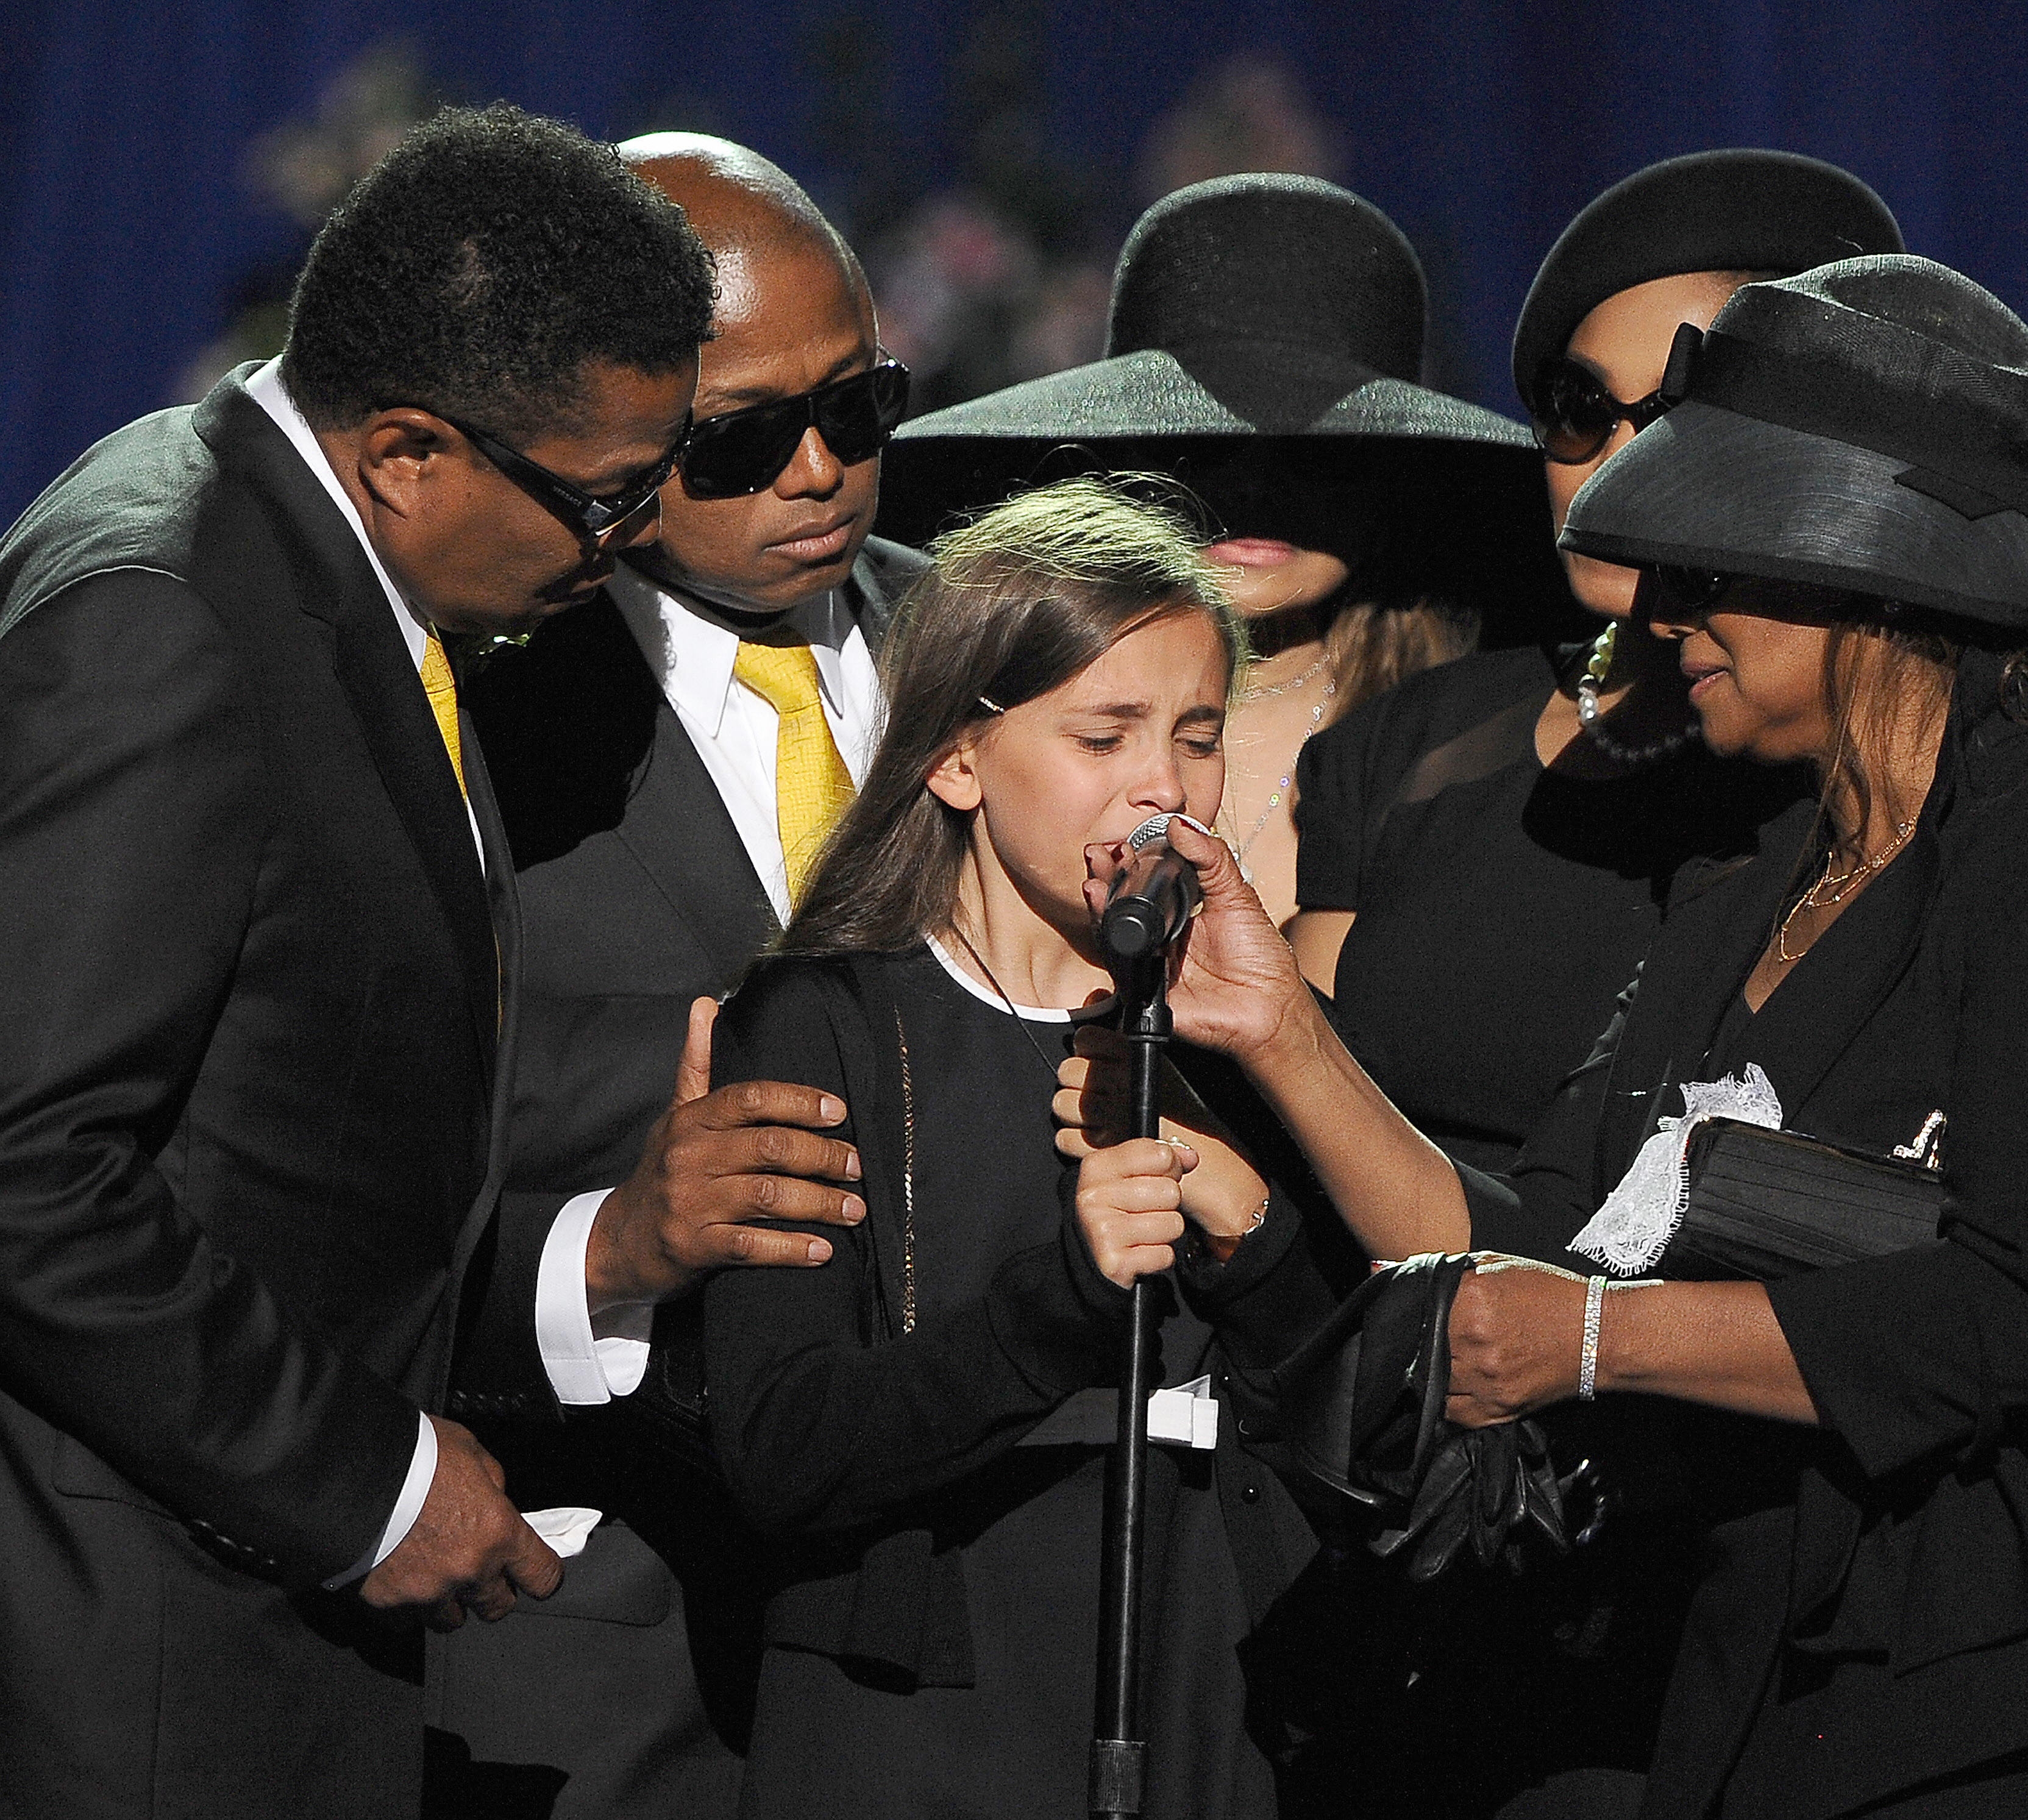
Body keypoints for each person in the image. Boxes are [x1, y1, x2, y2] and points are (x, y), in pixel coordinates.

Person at [1065, 255, 2028, 1816]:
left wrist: (1599, 1340)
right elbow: (1545, 1238)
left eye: (1710, 568)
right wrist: (1279, 1032)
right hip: (1799, 1690)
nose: (1661, 617)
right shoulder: (1744, 884)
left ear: (1869, 580)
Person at [0, 105, 868, 1820]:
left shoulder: (295, 545)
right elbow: (27, 1165)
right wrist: (370, 1482)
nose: (617, 552)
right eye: (603, 503)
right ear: (406, 449)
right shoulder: (167, 620)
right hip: (143, 1665)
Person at [699, 478, 1345, 1820]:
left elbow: (1360, 1395)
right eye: (1103, 736)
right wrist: (1064, 1294)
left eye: (1198, 736)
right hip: (934, 1701)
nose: (1164, 785)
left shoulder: (1246, 1020)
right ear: (957, 759)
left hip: (1214, 1669)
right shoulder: (826, 1019)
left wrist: (1249, 1223)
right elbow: (782, 1443)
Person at [435, 133, 927, 1818]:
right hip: (597, 1619)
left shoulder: (992, 659)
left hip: (961, 1641)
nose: (820, 471)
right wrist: (630, 1212)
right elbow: (358, 1116)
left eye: (858, 406)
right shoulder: (467, 710)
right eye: (740, 438)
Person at [1290, 149, 1898, 1173]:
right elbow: (1293, 1094)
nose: (1611, 469)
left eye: (1672, 417)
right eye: (1579, 408)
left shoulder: (1843, 781)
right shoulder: (1408, 738)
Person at [881, 172, 1572, 920]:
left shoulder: (1488, 741)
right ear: (1120, 458)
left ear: (1390, 480)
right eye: (1204, 446)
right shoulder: (991, 718)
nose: (1255, 490)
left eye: (1315, 456)